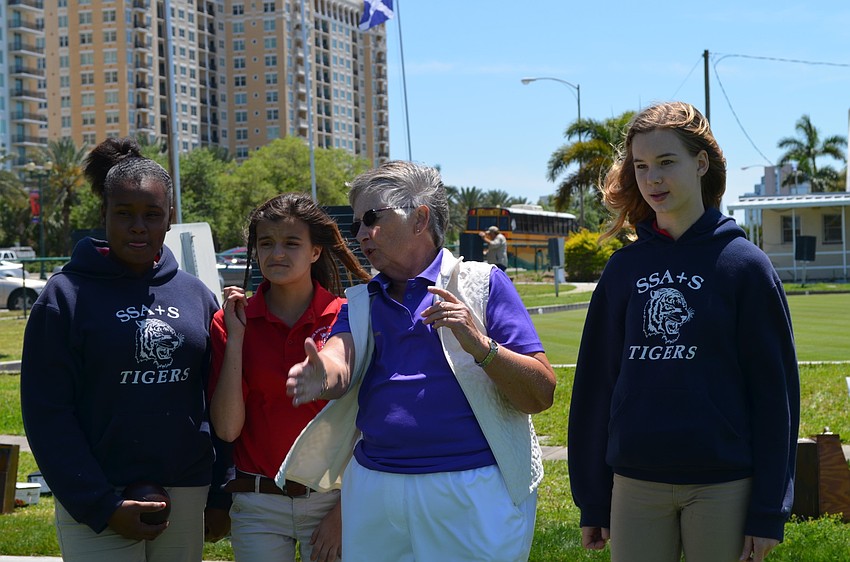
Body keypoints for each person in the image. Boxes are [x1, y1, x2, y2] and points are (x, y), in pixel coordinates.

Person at [279, 161, 557, 561]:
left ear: (420, 218)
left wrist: (480, 346)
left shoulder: (482, 283)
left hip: (471, 490)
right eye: (355, 223)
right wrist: (323, 374)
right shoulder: (361, 302)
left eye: (371, 218)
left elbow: (540, 394)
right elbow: (339, 358)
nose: (359, 235)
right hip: (375, 489)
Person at [567, 102, 800, 562]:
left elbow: (776, 396)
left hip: (724, 485)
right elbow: (596, 384)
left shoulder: (745, 266)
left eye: (666, 162)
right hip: (635, 483)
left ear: (701, 162)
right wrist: (593, 495)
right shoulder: (624, 269)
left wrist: (769, 508)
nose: (652, 178)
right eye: (641, 166)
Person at [20, 137, 227, 561]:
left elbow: (218, 399)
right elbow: (46, 412)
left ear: (169, 219)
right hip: (99, 495)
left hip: (186, 490)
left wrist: (219, 492)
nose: (139, 226)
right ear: (104, 215)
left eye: (152, 215)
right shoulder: (65, 297)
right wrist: (100, 504)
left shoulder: (195, 295)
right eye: (125, 214)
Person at [209, 193, 371, 562]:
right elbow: (228, 430)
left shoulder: (349, 317)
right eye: (266, 243)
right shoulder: (231, 321)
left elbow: (368, 425)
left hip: (335, 502)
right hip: (256, 503)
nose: (276, 253)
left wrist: (344, 511)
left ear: (315, 251)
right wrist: (236, 340)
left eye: (291, 243)